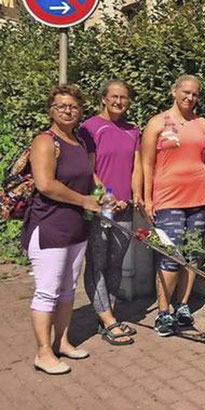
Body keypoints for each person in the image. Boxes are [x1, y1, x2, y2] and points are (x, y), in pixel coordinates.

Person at [23, 84, 101, 374]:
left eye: (73, 107)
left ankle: (63, 342)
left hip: (76, 228)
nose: (68, 111)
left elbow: (90, 178)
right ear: (50, 110)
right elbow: (45, 184)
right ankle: (43, 353)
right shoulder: (45, 142)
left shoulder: (78, 141)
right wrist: (84, 200)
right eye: (61, 106)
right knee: (48, 291)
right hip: (50, 228)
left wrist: (104, 196)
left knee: (68, 289)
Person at [142, 75, 205, 336]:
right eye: (186, 92)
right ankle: (163, 311)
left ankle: (182, 306)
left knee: (191, 254)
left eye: (194, 94)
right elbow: (146, 163)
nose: (190, 98)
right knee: (171, 256)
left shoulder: (203, 124)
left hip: (198, 199)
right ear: (174, 91)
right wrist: (147, 199)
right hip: (168, 199)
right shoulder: (157, 123)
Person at [79, 79, 141, 346]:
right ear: (103, 98)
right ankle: (108, 321)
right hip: (100, 207)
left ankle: (107, 315)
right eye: (114, 96)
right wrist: (105, 195)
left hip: (124, 206)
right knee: (97, 264)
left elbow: (136, 167)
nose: (118, 101)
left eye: (124, 97)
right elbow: (88, 169)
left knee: (115, 264)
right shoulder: (90, 128)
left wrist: (135, 195)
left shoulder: (133, 130)